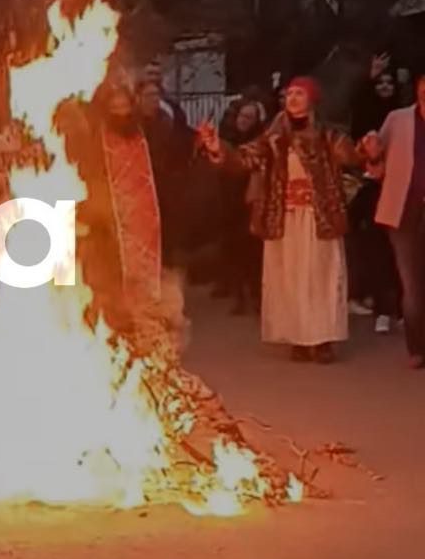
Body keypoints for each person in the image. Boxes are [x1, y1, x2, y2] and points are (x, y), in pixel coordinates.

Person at [200, 77, 363, 364]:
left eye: (299, 94)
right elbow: (244, 159)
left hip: (318, 217)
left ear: (311, 99)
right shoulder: (274, 135)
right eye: (289, 94)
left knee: (320, 276)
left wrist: (367, 150)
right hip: (284, 216)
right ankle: (298, 339)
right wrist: (217, 147)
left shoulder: (326, 134)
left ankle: (322, 339)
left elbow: (349, 155)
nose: (293, 98)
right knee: (289, 277)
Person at [57, 82, 193, 328]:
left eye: (125, 102)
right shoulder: (93, 133)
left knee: (134, 280)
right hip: (99, 218)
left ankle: (136, 327)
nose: (120, 107)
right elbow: (81, 170)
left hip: (140, 218)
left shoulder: (143, 133)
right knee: (99, 276)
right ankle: (100, 325)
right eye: (114, 102)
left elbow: (164, 168)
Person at [363, 74, 425, 368]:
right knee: (412, 284)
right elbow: (375, 169)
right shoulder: (398, 120)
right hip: (403, 212)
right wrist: (373, 154)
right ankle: (417, 348)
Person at [348, 54, 404, 331]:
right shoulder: (369, 113)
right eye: (379, 83)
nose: (384, 87)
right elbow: (358, 116)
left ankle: (401, 307)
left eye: (388, 82)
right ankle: (380, 306)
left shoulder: (403, 115)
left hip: (403, 188)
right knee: (376, 247)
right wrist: (368, 78)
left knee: (402, 252)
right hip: (374, 186)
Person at [217, 101, 265, 315]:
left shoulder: (260, 144)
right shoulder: (229, 140)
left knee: (253, 252)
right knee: (233, 249)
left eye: (249, 117)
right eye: (241, 116)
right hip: (229, 201)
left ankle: (256, 296)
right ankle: (238, 296)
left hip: (251, 200)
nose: (243, 121)